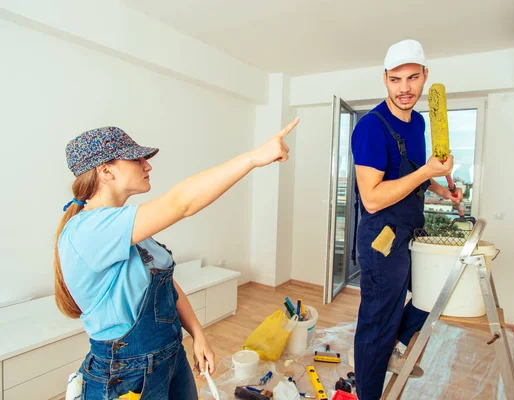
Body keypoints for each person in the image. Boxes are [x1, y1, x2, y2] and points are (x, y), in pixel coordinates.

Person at [54, 119, 299, 399]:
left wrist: (198, 333)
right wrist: (254, 158)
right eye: (136, 159)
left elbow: (164, 282)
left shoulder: (129, 227)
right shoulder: (88, 230)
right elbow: (180, 204)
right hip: (126, 374)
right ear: (105, 170)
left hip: (170, 356)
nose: (147, 166)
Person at [350, 39, 463, 398]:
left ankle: (396, 347)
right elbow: (371, 198)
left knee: (433, 290)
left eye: (413, 78)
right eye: (396, 80)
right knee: (375, 324)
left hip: (411, 229)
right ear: (385, 80)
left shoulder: (417, 123)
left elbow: (411, 170)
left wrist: (441, 188)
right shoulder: (370, 128)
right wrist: (425, 173)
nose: (405, 88)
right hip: (381, 239)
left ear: (425, 77)